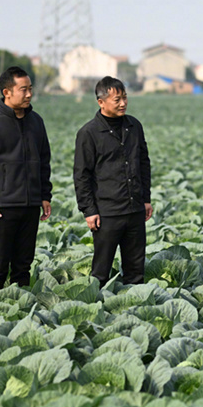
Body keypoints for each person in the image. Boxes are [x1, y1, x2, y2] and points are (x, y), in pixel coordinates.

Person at [0, 66, 52, 292]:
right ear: (7, 92)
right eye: (23, 89)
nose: (28, 94)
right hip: (2, 207)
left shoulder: (36, 121)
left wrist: (45, 195)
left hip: (30, 205)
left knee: (23, 266)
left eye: (30, 89)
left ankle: (21, 310)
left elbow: (44, 161)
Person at [73, 76, 152, 285]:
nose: (123, 103)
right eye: (117, 100)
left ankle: (134, 306)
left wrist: (146, 199)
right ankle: (97, 308)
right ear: (101, 102)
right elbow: (82, 175)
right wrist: (89, 210)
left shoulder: (134, 126)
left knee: (135, 269)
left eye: (125, 98)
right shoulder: (88, 133)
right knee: (101, 269)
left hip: (134, 208)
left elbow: (143, 163)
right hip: (107, 212)